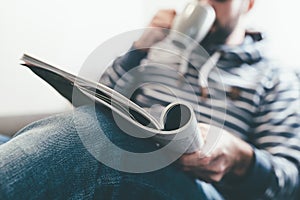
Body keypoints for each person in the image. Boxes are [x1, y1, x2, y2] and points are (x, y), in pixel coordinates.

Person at [0, 0, 300, 199]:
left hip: (202, 189)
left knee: (93, 135)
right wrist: (141, 47)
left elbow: (290, 178)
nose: (206, 4)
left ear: (247, 4)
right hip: (135, 171)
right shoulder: (158, 52)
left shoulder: (274, 77)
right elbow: (93, 103)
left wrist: (240, 157)